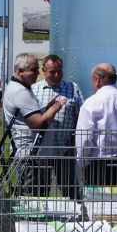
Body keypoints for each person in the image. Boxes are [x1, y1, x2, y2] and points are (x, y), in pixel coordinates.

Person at [3, 53, 64, 195]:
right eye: (34, 69)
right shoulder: (21, 92)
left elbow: (31, 115)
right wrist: (56, 108)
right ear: (20, 71)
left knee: (37, 196)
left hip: (34, 155)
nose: (38, 73)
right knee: (33, 198)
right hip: (32, 156)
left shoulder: (21, 89)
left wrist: (46, 108)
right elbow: (38, 123)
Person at [32, 54, 85, 198]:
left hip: (65, 150)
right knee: (39, 190)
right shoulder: (34, 90)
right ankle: (39, 219)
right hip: (41, 151)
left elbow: (81, 118)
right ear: (44, 71)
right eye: (52, 72)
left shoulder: (72, 88)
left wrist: (73, 143)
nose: (56, 75)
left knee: (70, 190)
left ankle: (77, 216)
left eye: (59, 71)